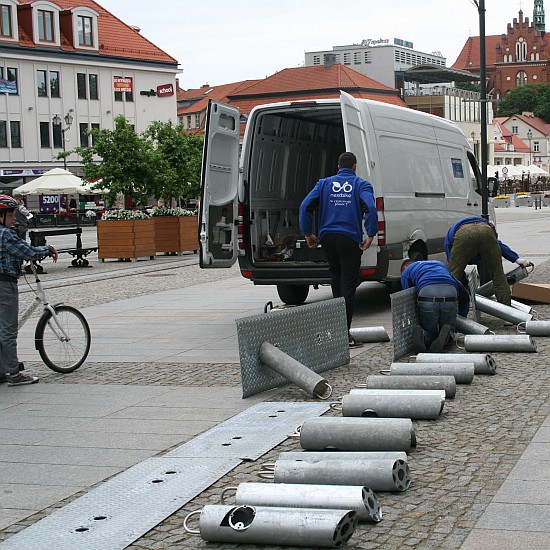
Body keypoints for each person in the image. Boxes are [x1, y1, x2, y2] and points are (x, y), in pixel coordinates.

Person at [299, 152, 378, 349]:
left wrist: (308, 232)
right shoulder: (361, 185)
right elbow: (370, 207)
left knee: (335, 276)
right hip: (348, 238)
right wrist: (370, 234)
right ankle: (344, 334)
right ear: (354, 167)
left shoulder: (324, 184)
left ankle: (338, 328)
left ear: (338, 167)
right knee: (349, 284)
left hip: (327, 238)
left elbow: (305, 206)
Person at [0, 195, 58, 386]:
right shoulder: (5, 234)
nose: (14, 219)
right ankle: (13, 373)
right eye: (10, 214)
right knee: (8, 330)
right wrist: (47, 249)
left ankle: (2, 369)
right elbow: (27, 252)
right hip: (5, 284)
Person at [444, 216, 533, 306]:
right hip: (486, 230)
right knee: (498, 275)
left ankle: (449, 307)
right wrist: (517, 259)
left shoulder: (451, 235)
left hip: (464, 234)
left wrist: (462, 282)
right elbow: (498, 245)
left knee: (454, 276)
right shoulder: (485, 227)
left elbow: (452, 263)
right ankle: (506, 309)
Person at [401, 259, 469, 353]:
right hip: (450, 295)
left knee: (430, 332)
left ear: (404, 268)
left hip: (427, 296)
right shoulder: (440, 265)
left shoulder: (406, 273)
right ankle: (447, 335)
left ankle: (424, 336)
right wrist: (462, 315)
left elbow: (407, 298)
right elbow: (464, 295)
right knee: (449, 329)